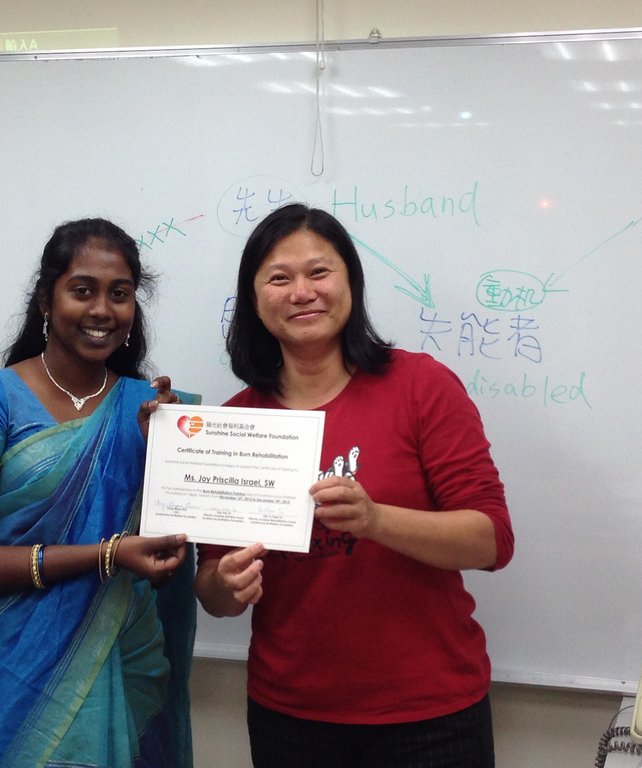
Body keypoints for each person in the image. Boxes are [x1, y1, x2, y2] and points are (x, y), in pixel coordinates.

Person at [194, 203, 514, 768]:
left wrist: (376, 520)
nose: (302, 293)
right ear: (254, 299)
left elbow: (491, 541)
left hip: (430, 714)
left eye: (319, 272)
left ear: (350, 282)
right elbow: (214, 594)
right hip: (290, 715)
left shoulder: (421, 386)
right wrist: (225, 583)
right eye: (279, 278)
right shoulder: (236, 422)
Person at [0, 217, 196, 768]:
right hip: (12, 679)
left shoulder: (152, 409)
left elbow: (167, 560)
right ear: (45, 302)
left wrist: (168, 455)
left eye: (119, 294)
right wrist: (107, 556)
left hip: (128, 666)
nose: (102, 310)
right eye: (82, 290)